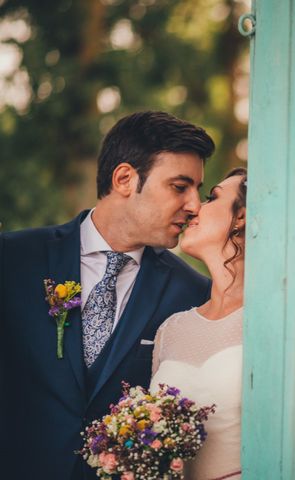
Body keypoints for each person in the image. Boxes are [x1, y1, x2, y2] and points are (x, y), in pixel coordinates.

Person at [0, 111, 215, 479]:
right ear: (125, 179)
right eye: (180, 187)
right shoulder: (14, 259)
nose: (195, 205)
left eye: (198, 190)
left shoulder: (192, 292)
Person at [150, 167, 247, 480]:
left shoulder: (274, 320)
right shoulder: (171, 329)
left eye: (212, 197)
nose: (194, 208)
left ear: (242, 217)